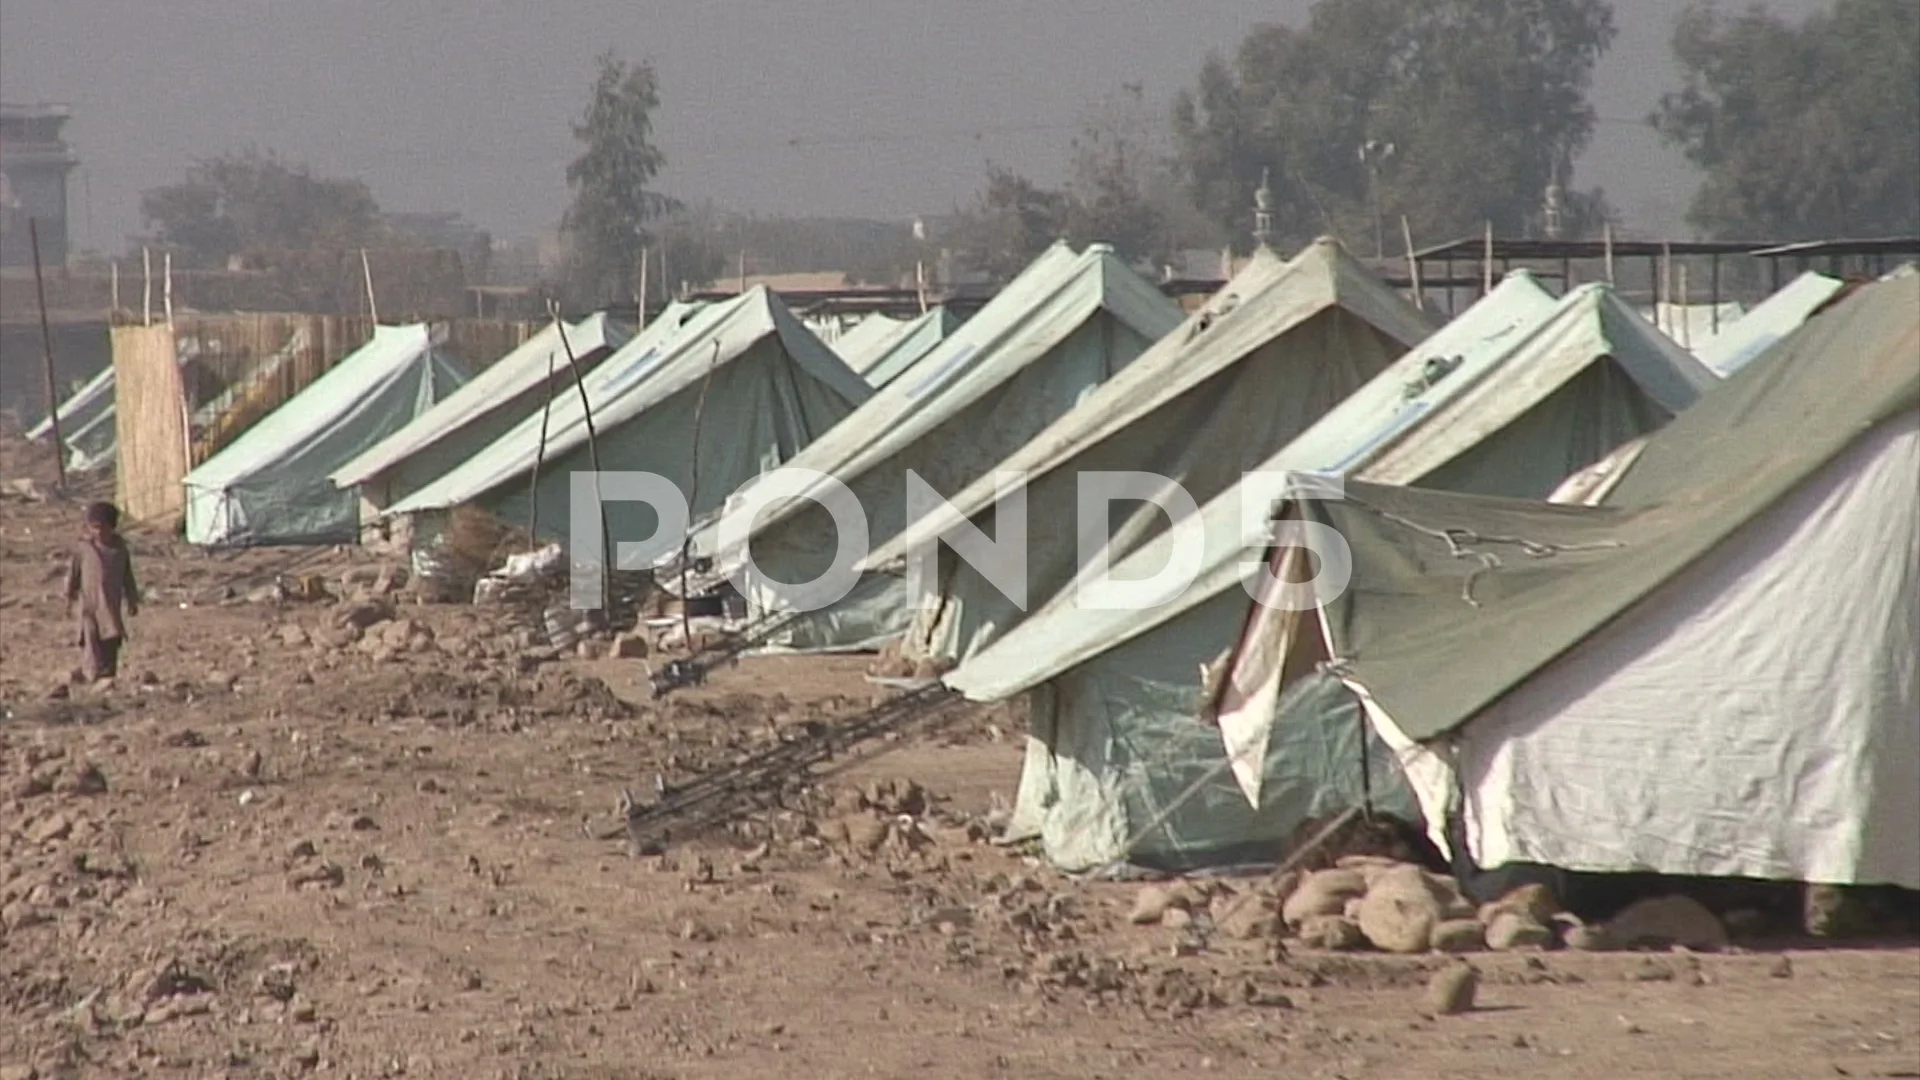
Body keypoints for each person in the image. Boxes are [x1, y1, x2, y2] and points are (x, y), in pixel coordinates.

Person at [65, 501, 140, 684]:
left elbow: (127, 577)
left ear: (112, 527)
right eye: (94, 528)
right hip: (89, 606)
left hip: (111, 607)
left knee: (111, 639)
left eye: (102, 528)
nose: (98, 532)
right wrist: (69, 598)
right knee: (91, 640)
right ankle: (91, 674)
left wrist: (132, 600)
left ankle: (108, 675)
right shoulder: (84, 550)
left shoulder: (120, 551)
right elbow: (73, 575)